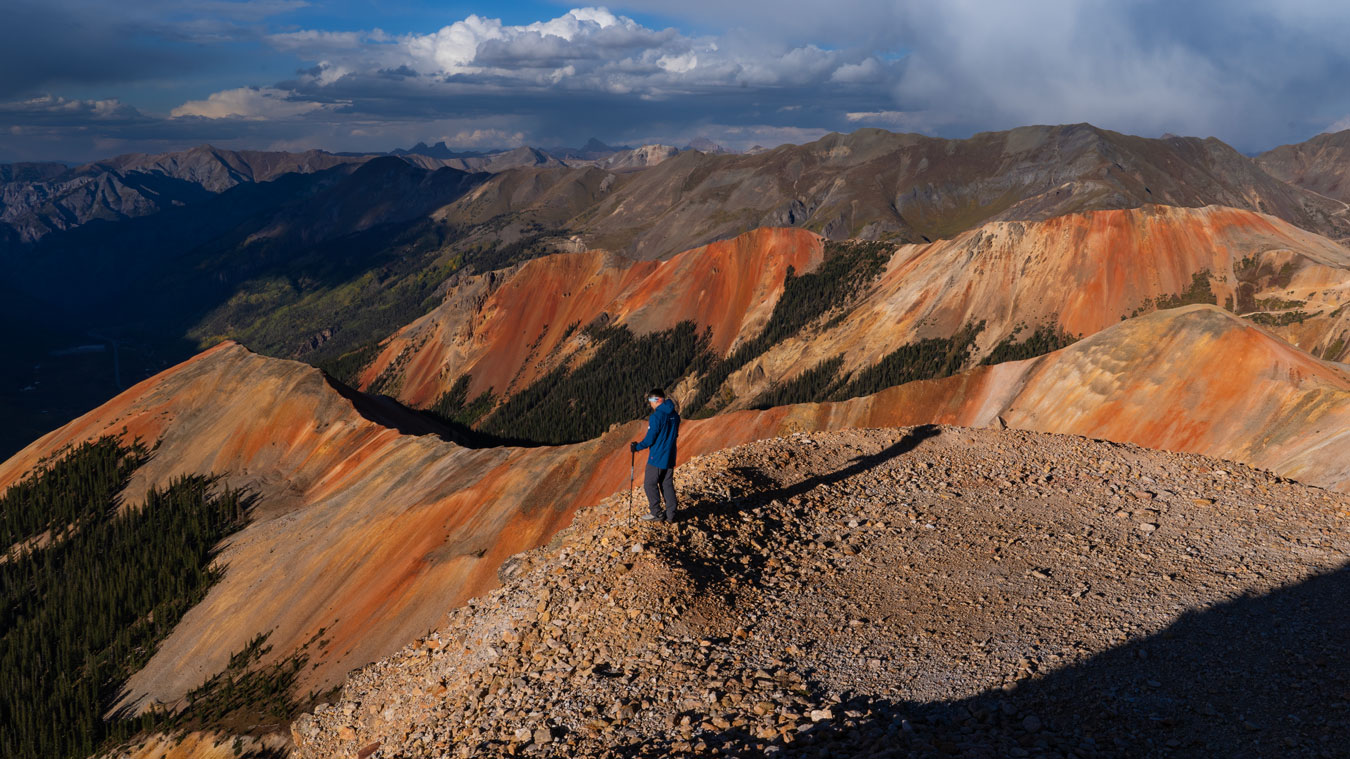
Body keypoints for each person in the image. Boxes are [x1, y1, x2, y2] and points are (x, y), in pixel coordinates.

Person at [631, 388, 680, 522]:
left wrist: (637, 447)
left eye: (650, 401)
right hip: (670, 455)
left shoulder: (657, 416)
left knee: (649, 484)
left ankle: (656, 513)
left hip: (657, 457)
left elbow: (650, 439)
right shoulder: (675, 415)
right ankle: (671, 514)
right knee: (667, 484)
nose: (650, 405)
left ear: (657, 400)